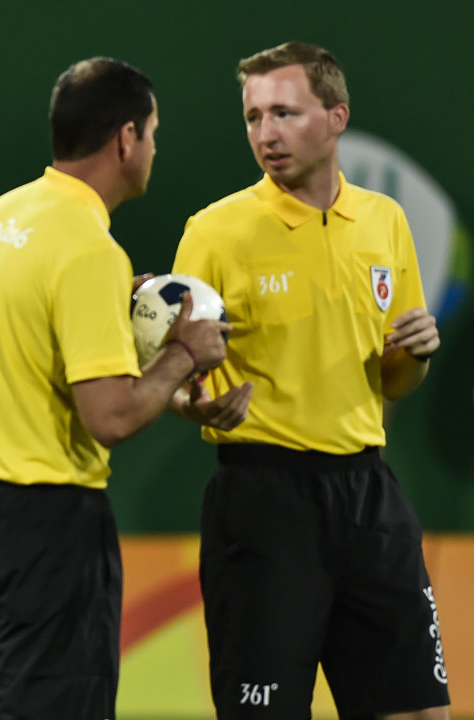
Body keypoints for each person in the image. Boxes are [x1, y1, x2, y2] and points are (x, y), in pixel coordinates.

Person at [0, 57, 230, 720]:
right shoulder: (89, 247)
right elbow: (111, 417)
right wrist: (184, 353)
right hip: (45, 524)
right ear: (126, 138)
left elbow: (26, 347)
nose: (154, 148)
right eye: (153, 133)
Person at [171, 41, 449, 719]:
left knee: (418, 710)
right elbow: (169, 378)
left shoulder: (385, 221)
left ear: (336, 117)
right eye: (254, 116)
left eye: (285, 113)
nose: (266, 134)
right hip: (264, 501)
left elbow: (395, 382)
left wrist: (415, 353)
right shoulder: (213, 232)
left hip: (369, 495)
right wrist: (195, 405)